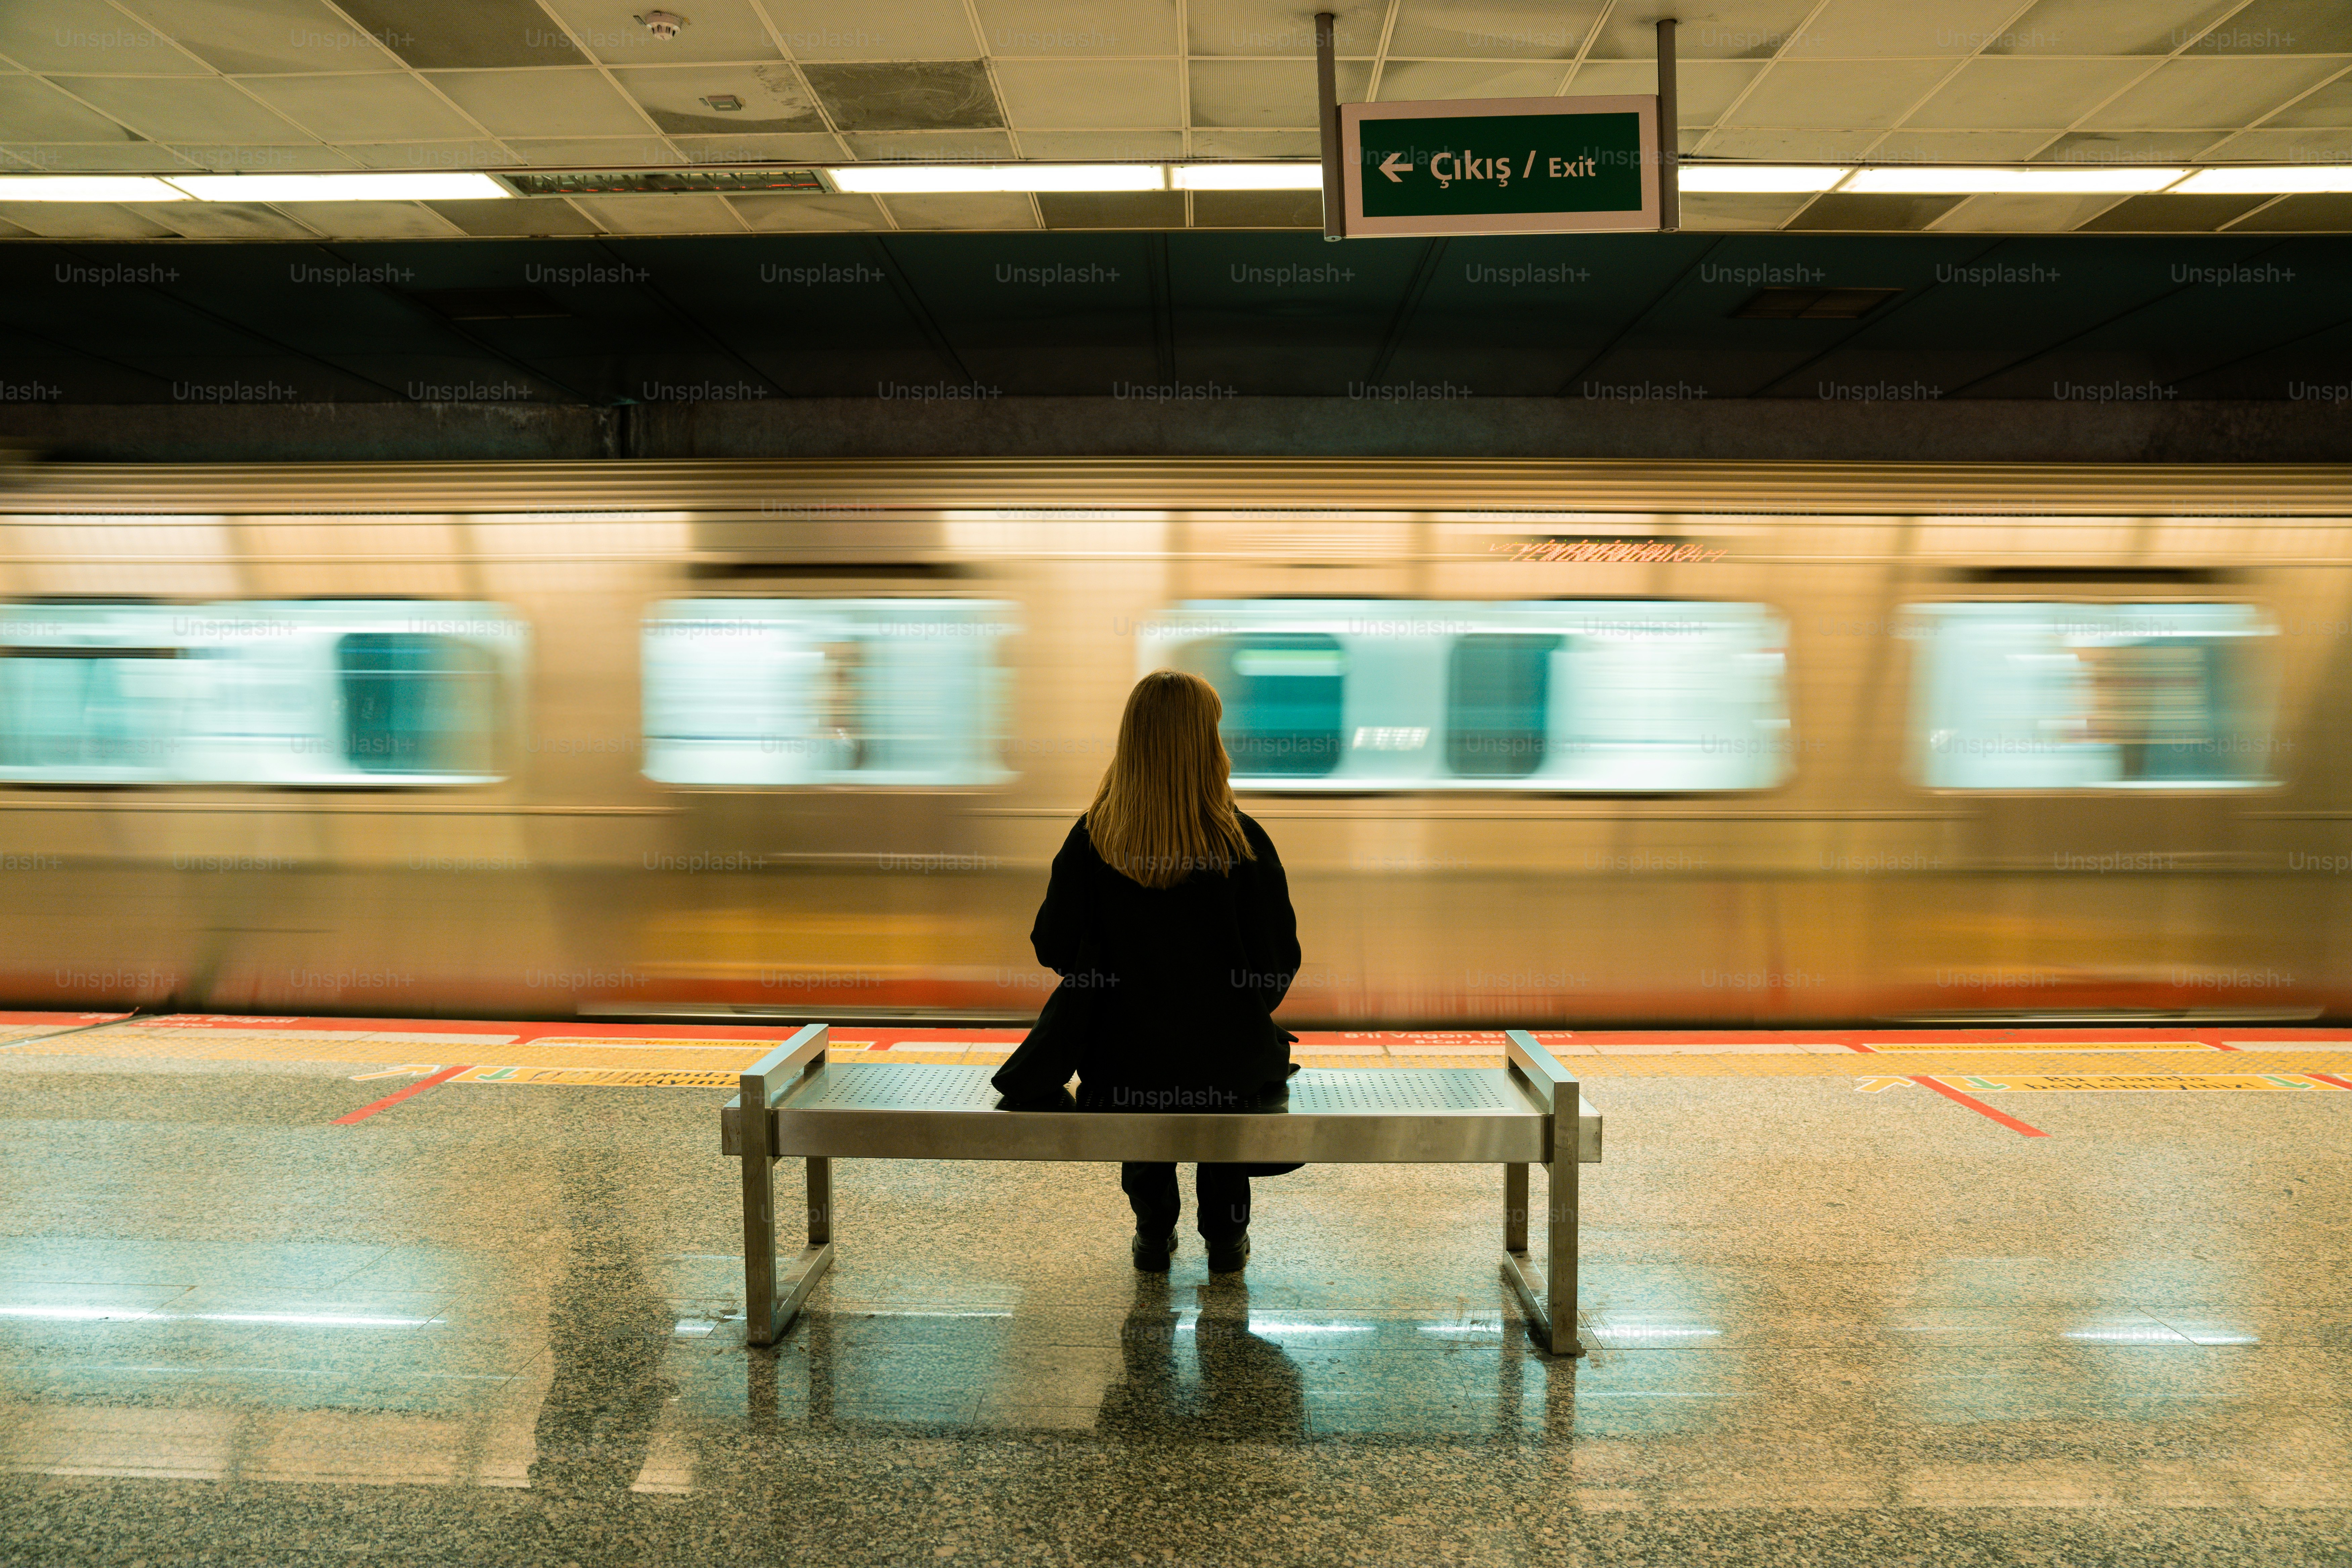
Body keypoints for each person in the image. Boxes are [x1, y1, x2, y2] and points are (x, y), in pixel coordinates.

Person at [1027, 669, 1302, 1273]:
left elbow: (1051, 944)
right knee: (1223, 1080)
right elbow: (1279, 964)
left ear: (1133, 742)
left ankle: (1153, 1230)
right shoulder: (1244, 841)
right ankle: (1226, 1240)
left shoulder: (1094, 838)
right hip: (1229, 1067)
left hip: (1119, 1068)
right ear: (1208, 743)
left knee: (1138, 1065)